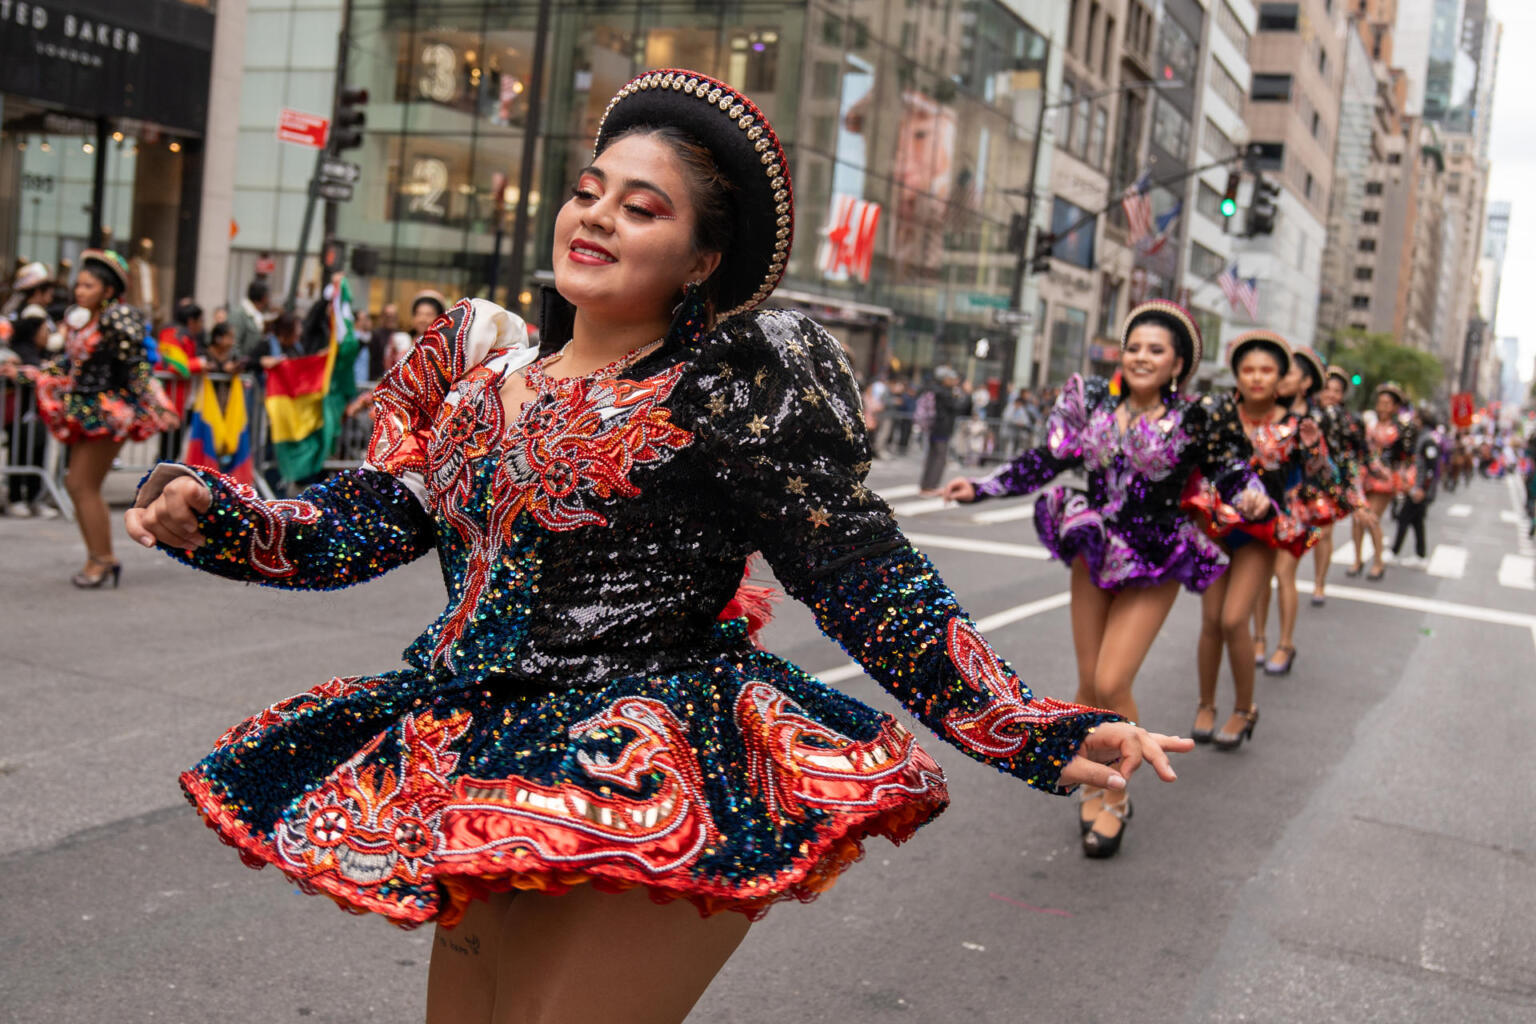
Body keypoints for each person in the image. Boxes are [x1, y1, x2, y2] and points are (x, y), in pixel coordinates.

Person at [125, 69, 1187, 1023]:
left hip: (644, 767)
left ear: (701, 260)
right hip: (480, 764)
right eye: (589, 191)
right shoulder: (477, 371)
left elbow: (864, 575)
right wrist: (212, 514)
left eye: (642, 208)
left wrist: (1026, 725)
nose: (595, 218)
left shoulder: (730, 387)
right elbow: (364, 520)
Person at [942, 300, 1265, 857]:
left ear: (1178, 363)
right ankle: (1094, 777)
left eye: (1155, 350)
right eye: (1134, 346)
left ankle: (1116, 796)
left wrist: (1251, 497)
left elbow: (1231, 471)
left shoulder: (1196, 418)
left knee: (1114, 679)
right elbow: (1045, 459)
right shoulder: (1090, 401)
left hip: (1157, 553)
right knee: (1088, 683)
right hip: (1094, 545)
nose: (1141, 357)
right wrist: (982, 486)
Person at [1183, 331, 1327, 750]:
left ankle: (1245, 708)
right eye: (1248, 369)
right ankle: (1206, 704)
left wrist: (1314, 466)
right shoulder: (1216, 412)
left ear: (1281, 376)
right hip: (1214, 529)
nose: (1257, 377)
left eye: (1267, 370)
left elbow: (1325, 482)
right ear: (1236, 374)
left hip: (1259, 536)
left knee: (1233, 619)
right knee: (1211, 621)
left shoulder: (1299, 427)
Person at [27, 249, 176, 586]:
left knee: (82, 485)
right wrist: (27, 373)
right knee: (77, 484)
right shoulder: (81, 320)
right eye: (78, 285)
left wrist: (160, 404)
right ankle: (100, 557)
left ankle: (103, 559)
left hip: (109, 413)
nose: (79, 291)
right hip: (84, 410)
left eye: (88, 286)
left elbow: (138, 369)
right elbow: (68, 364)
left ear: (108, 290)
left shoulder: (118, 320)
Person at [1249, 346, 1352, 674]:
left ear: (1306, 382)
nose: (1279, 377)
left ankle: (1286, 644)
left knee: (1283, 573)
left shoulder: (1319, 419)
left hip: (1298, 508)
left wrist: (1315, 453)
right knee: (1261, 577)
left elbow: (1331, 470)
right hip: (1263, 505)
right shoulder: (1264, 411)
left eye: (1289, 372)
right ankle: (1260, 639)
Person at [1309, 366, 1372, 605]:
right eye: (1327, 389)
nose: (1331, 394)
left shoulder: (1350, 421)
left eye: (1337, 391)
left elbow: (1358, 455)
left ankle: (1318, 584)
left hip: (1329, 485)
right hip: (1301, 483)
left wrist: (1355, 492)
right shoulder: (1305, 413)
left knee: (1324, 533)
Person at [1348, 382, 1416, 581]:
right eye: (1381, 403)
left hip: (1385, 480)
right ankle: (1357, 559)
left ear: (1395, 407)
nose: (1383, 407)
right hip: (1364, 476)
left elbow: (1406, 458)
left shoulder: (1401, 429)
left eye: (1388, 404)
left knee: (1371, 518)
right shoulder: (1368, 423)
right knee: (1357, 518)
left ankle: (1378, 562)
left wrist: (1404, 479)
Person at [0, 314, 55, 517]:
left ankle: (34, 498)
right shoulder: (17, 354)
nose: (47, 334)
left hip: (37, 417)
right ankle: (16, 498)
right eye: (44, 330)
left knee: (37, 454)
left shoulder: (44, 353)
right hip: (16, 416)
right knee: (19, 454)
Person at [1390, 408, 1443, 566]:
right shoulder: (1422, 438)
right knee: (1417, 522)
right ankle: (1420, 556)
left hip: (1419, 489)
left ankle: (1394, 552)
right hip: (1417, 487)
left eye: (1416, 419)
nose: (1413, 422)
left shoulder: (1427, 440)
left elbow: (1431, 468)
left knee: (1404, 518)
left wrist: (1423, 489)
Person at [917, 366, 961, 493]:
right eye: (950, 378)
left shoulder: (932, 389)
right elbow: (956, 406)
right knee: (939, 458)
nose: (953, 381)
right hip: (941, 428)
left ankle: (925, 485)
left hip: (932, 427)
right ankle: (931, 486)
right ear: (944, 379)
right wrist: (958, 396)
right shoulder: (944, 393)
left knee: (932, 456)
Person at [232, 280, 272, 368]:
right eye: (269, 296)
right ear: (264, 297)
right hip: (242, 371)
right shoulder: (240, 314)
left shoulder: (258, 315)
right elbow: (234, 343)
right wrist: (240, 364)